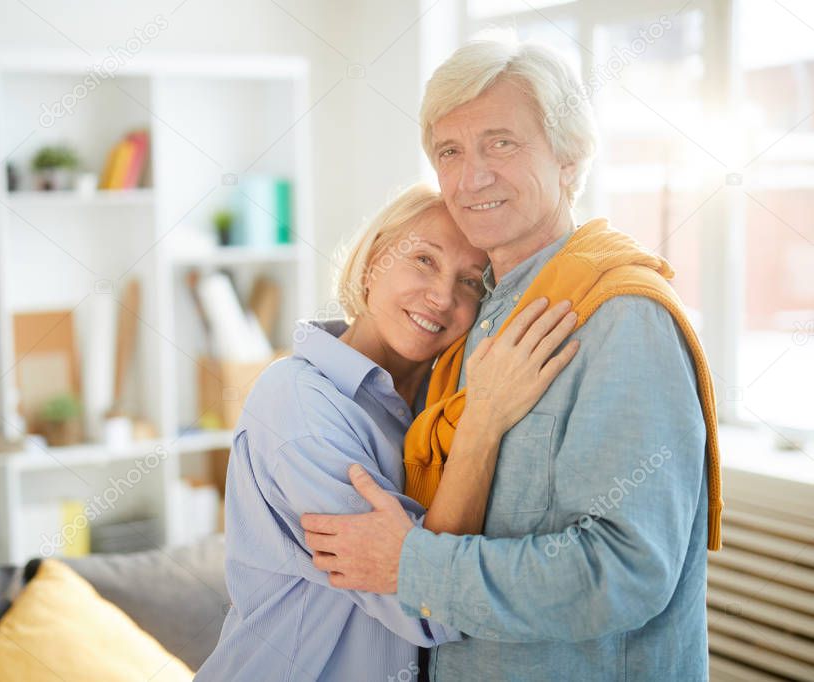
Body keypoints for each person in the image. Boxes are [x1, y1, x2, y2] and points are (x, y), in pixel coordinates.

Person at [301, 37, 723, 681]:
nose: (472, 178)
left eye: (501, 142)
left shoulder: (622, 319)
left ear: (569, 156)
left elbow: (625, 573)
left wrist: (410, 564)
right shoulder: (469, 321)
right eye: (450, 152)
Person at [195, 184, 580, 681]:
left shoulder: (431, 411)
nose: (442, 296)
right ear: (375, 260)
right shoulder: (297, 401)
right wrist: (484, 422)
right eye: (423, 260)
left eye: (471, 282)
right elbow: (427, 606)